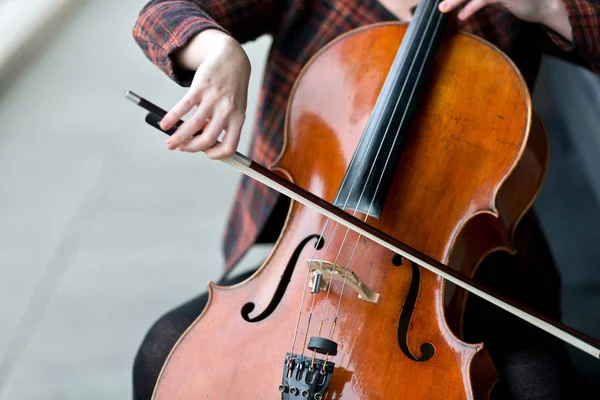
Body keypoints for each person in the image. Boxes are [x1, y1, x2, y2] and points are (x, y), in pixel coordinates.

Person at [130, 0, 600, 399]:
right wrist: (220, 48)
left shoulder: (497, 10)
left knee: (536, 384)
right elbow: (161, 14)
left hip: (460, 258)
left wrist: (547, 7)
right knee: (163, 349)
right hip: (312, 247)